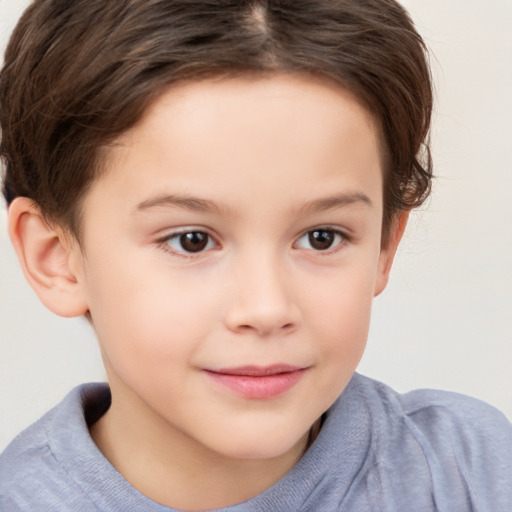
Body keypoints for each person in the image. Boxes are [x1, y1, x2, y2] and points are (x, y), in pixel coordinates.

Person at [0, 0, 510, 510]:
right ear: (57, 258)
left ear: (383, 244)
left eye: (322, 237)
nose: (266, 309)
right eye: (191, 240)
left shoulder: (472, 472)